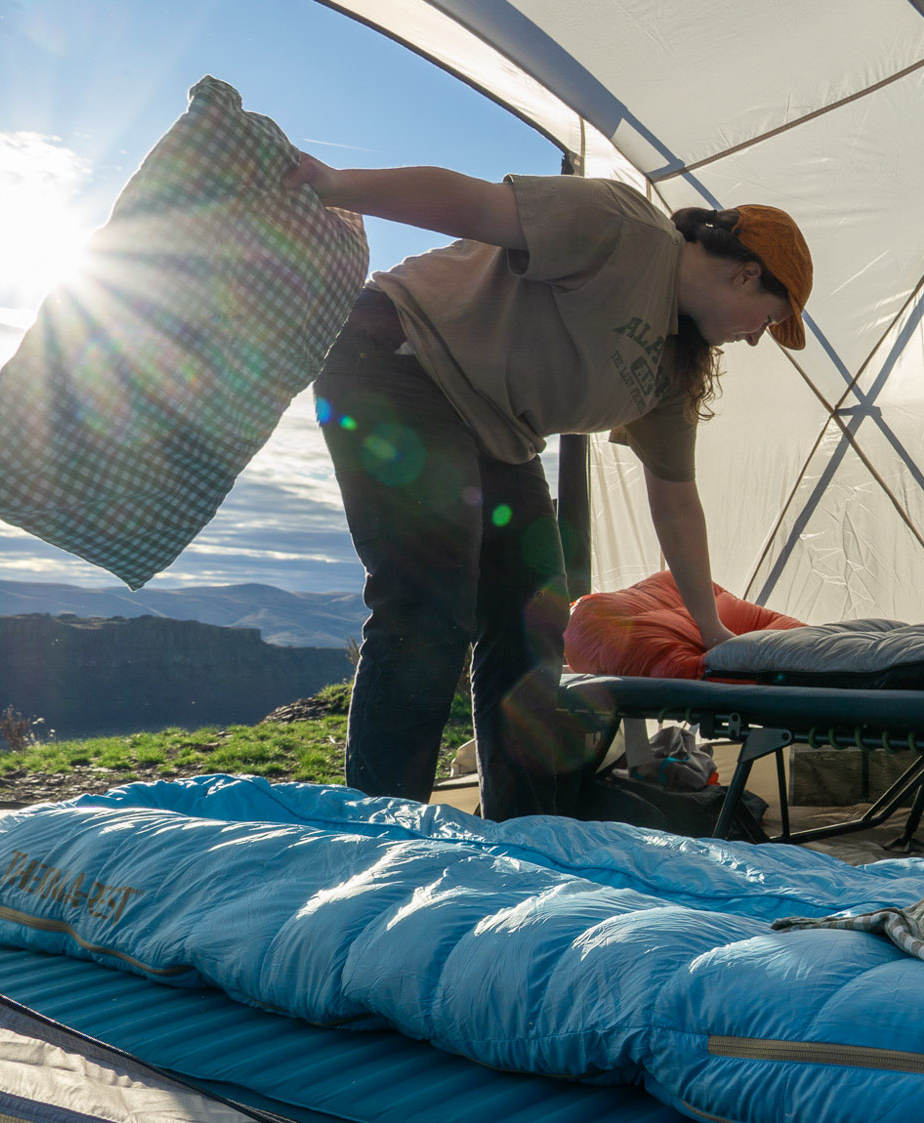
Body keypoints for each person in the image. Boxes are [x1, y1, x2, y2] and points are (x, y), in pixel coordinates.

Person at [285, 154, 812, 819]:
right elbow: (472, 205)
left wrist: (711, 632)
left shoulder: (676, 367)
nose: (759, 338)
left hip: (497, 431)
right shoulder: (626, 229)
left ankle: (525, 835)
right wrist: (335, 185)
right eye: (768, 318)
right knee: (429, 600)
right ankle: (380, 834)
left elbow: (676, 500)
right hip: (398, 359)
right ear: (746, 272)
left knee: (535, 619)